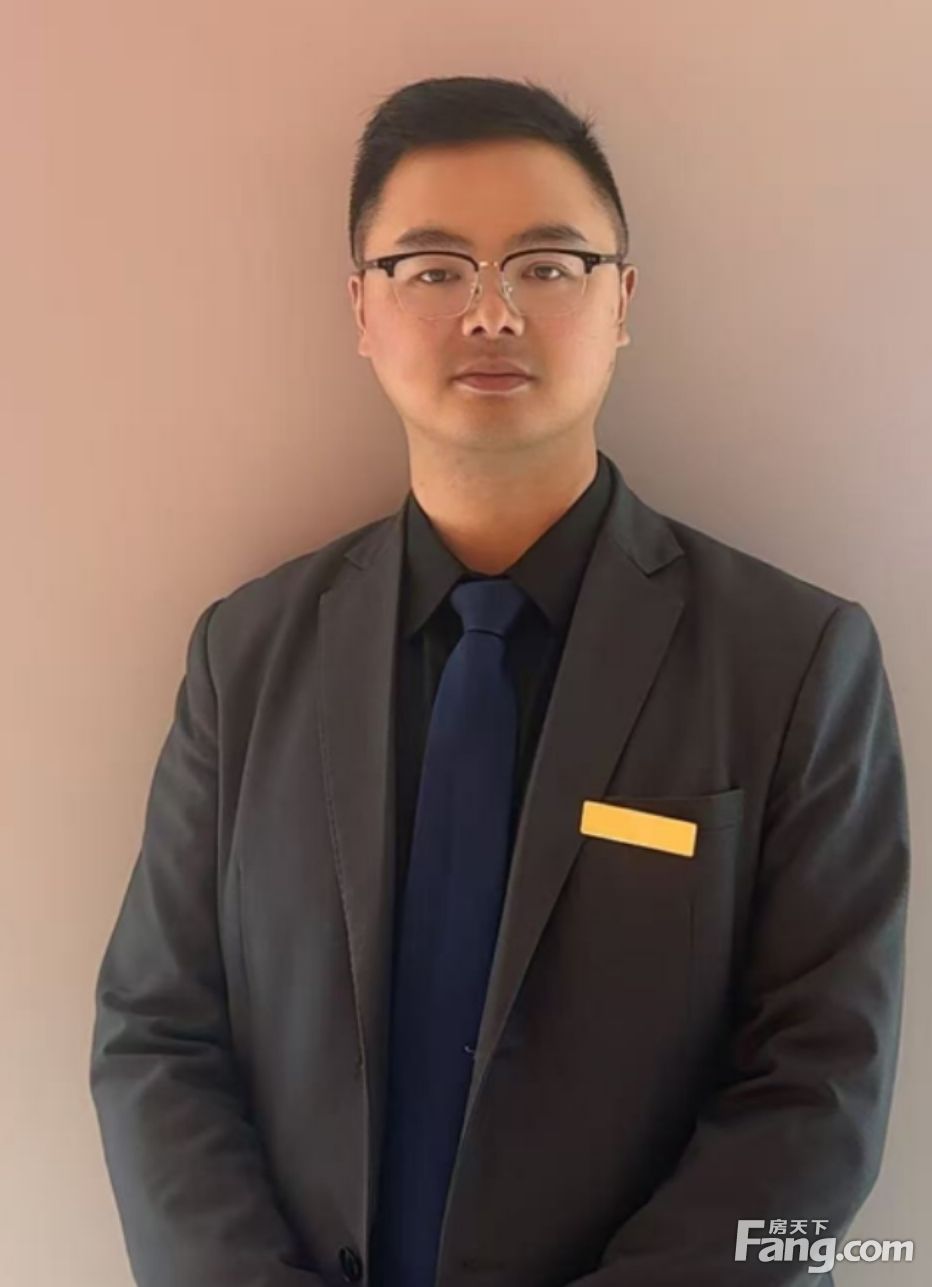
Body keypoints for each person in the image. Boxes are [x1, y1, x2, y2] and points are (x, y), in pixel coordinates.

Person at [89, 75, 910, 1287]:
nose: (488, 313)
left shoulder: (793, 660)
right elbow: (156, 1037)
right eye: (431, 270)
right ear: (361, 309)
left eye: (545, 265)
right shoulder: (244, 656)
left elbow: (817, 1093)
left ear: (620, 301)